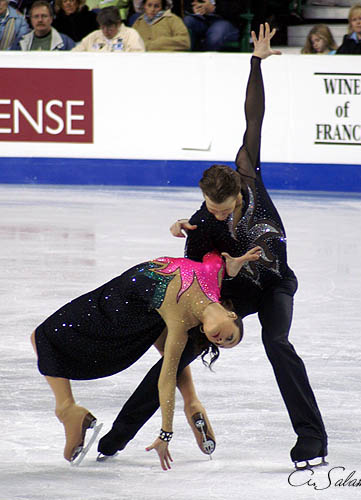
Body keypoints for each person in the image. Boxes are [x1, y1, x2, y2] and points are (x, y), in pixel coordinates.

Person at [98, 24, 328, 470]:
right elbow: (195, 273)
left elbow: (254, 118)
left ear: (238, 195)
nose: (216, 215)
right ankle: (116, 438)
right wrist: (198, 235)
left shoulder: (249, 179)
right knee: (176, 353)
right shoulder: (206, 215)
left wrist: (256, 63)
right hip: (230, 292)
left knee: (278, 344)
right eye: (209, 207)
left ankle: (311, 440)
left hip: (274, 285)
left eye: (222, 210)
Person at [31, 246, 261, 469]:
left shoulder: (181, 325)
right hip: (129, 293)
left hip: (122, 307)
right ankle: (192, 402)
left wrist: (165, 433)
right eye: (229, 337)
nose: (220, 341)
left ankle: (67, 409)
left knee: (43, 336)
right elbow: (213, 256)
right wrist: (232, 263)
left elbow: (166, 380)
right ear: (232, 315)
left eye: (221, 343)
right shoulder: (214, 278)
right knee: (45, 337)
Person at [72, 5, 145, 51]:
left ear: (118, 23)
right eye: (102, 27)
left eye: (110, 28)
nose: (105, 31)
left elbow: (137, 58)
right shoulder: (93, 36)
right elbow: (75, 54)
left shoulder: (131, 35)